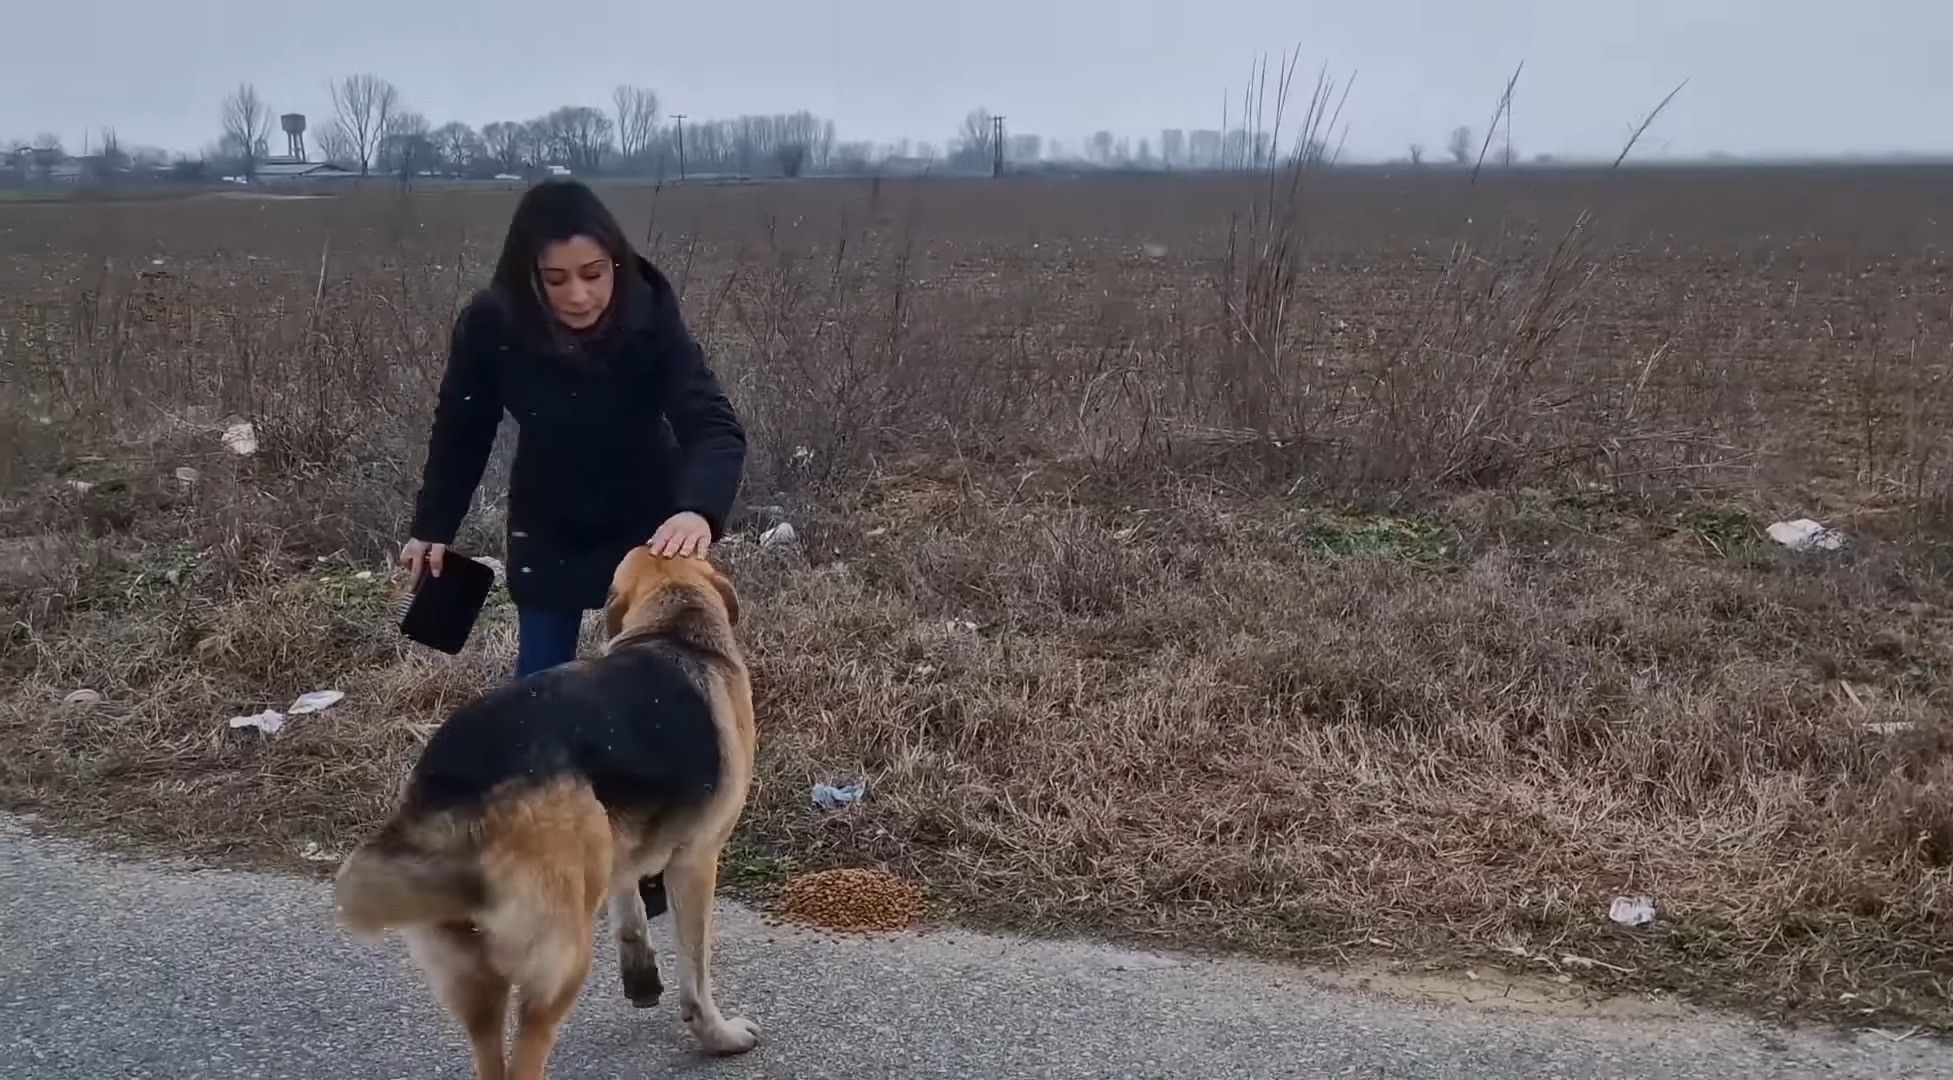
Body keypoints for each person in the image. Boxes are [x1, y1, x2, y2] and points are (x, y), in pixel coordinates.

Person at [401, 178, 746, 680]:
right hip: (549, 522)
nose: (580, 295)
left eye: (593, 273)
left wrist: (697, 510)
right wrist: (433, 526)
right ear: (527, 277)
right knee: (540, 685)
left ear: (616, 264)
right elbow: (462, 426)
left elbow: (712, 424)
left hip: (649, 527)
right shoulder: (492, 324)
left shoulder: (649, 314)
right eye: (556, 279)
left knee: (656, 686)